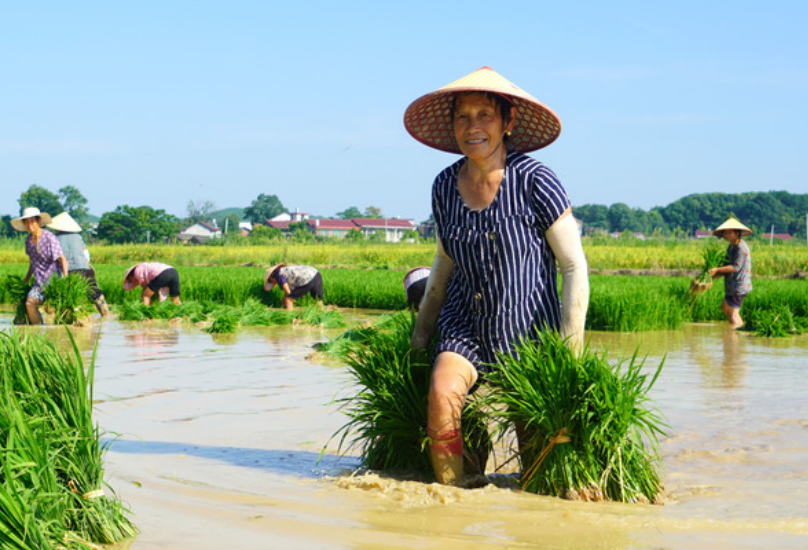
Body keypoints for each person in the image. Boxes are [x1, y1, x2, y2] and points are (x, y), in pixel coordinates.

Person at [404, 66, 590, 485]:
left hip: (526, 331)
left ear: (508, 123)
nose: (473, 127)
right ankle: (451, 500)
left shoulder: (535, 180)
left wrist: (568, 356)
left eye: (485, 115)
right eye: (462, 116)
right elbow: (443, 265)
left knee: (538, 461)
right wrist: (419, 342)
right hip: (463, 326)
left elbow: (573, 266)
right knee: (442, 396)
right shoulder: (444, 186)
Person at [11, 207, 69, 325]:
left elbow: (62, 259)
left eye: (32, 221)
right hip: (39, 284)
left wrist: (66, 279)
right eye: (26, 221)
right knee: (29, 303)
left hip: (53, 282)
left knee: (56, 311)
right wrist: (26, 279)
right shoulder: (28, 241)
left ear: (38, 221)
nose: (29, 224)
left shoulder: (49, 237)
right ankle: (38, 332)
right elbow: (33, 263)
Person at [46, 212, 110, 316]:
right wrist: (86, 264)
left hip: (68, 271)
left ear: (57, 228)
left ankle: (72, 317)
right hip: (85, 269)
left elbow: (53, 258)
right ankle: (106, 315)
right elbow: (86, 255)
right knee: (95, 292)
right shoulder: (78, 237)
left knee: (69, 296)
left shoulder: (54, 239)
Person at [708, 217, 752, 329]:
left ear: (737, 233)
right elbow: (726, 265)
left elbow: (735, 267)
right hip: (731, 285)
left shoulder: (740, 247)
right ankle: (737, 329)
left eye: (730, 233)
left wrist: (717, 269)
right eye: (725, 233)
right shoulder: (731, 246)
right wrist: (715, 277)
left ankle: (735, 338)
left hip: (739, 286)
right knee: (724, 307)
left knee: (733, 314)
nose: (727, 235)